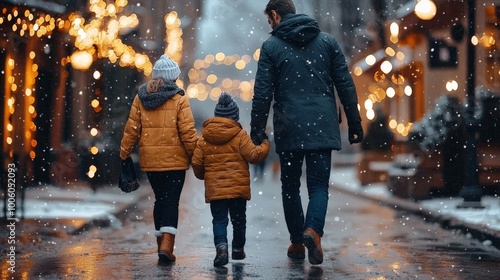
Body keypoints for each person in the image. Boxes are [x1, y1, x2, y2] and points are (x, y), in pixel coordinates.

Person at [250, 0, 364, 265]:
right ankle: (313, 230)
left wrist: (257, 129)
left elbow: (262, 93)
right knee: (318, 186)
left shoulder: (271, 47)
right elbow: (345, 84)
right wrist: (355, 123)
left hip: (289, 127)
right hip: (322, 124)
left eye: (269, 20)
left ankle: (297, 242)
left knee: (290, 186)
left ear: (275, 15)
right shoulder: (327, 42)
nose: (270, 25)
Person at [119, 54, 198, 263]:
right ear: (173, 77)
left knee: (160, 200)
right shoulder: (179, 98)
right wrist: (196, 156)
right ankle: (167, 246)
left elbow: (132, 128)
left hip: (150, 161)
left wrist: (124, 152)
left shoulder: (141, 97)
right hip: (176, 161)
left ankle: (160, 246)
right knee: (171, 202)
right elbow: (188, 133)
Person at [191, 92, 270, 267]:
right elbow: (254, 155)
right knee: (238, 220)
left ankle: (221, 248)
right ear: (235, 117)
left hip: (216, 190)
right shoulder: (240, 135)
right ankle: (237, 250)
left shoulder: (204, 139)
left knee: (219, 220)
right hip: (237, 191)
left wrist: (204, 175)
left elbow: (196, 162)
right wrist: (265, 144)